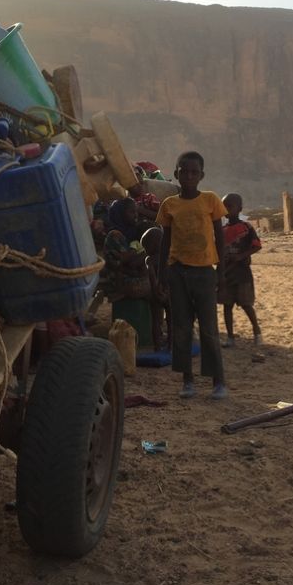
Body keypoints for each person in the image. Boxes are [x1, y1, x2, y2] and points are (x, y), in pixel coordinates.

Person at [156, 151, 228, 399]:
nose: (188, 176)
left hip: (205, 273)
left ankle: (218, 382)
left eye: (194, 172)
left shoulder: (210, 201)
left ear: (201, 175)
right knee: (181, 328)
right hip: (178, 273)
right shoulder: (169, 205)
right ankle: (187, 380)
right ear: (176, 174)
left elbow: (220, 238)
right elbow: (165, 242)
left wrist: (222, 272)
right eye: (183, 171)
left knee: (209, 329)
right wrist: (161, 275)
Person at [102, 199, 152, 349]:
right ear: (120, 214)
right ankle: (148, 336)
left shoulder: (129, 233)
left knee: (157, 286)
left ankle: (150, 334)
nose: (135, 215)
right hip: (119, 282)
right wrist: (146, 254)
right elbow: (128, 261)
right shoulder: (115, 235)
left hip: (129, 276)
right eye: (131, 212)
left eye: (136, 211)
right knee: (156, 291)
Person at [218, 193, 264, 348]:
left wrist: (242, 256)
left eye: (229, 206)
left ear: (239, 209)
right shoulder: (221, 230)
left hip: (242, 273)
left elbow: (257, 245)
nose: (226, 209)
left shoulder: (246, 227)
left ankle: (256, 331)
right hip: (226, 273)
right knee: (227, 305)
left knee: (246, 304)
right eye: (223, 206)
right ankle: (230, 337)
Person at [141, 226, 169, 350]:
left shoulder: (149, 259)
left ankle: (157, 346)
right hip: (167, 291)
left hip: (154, 292)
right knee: (170, 319)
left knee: (156, 321)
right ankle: (171, 345)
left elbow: (151, 275)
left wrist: (156, 288)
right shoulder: (167, 257)